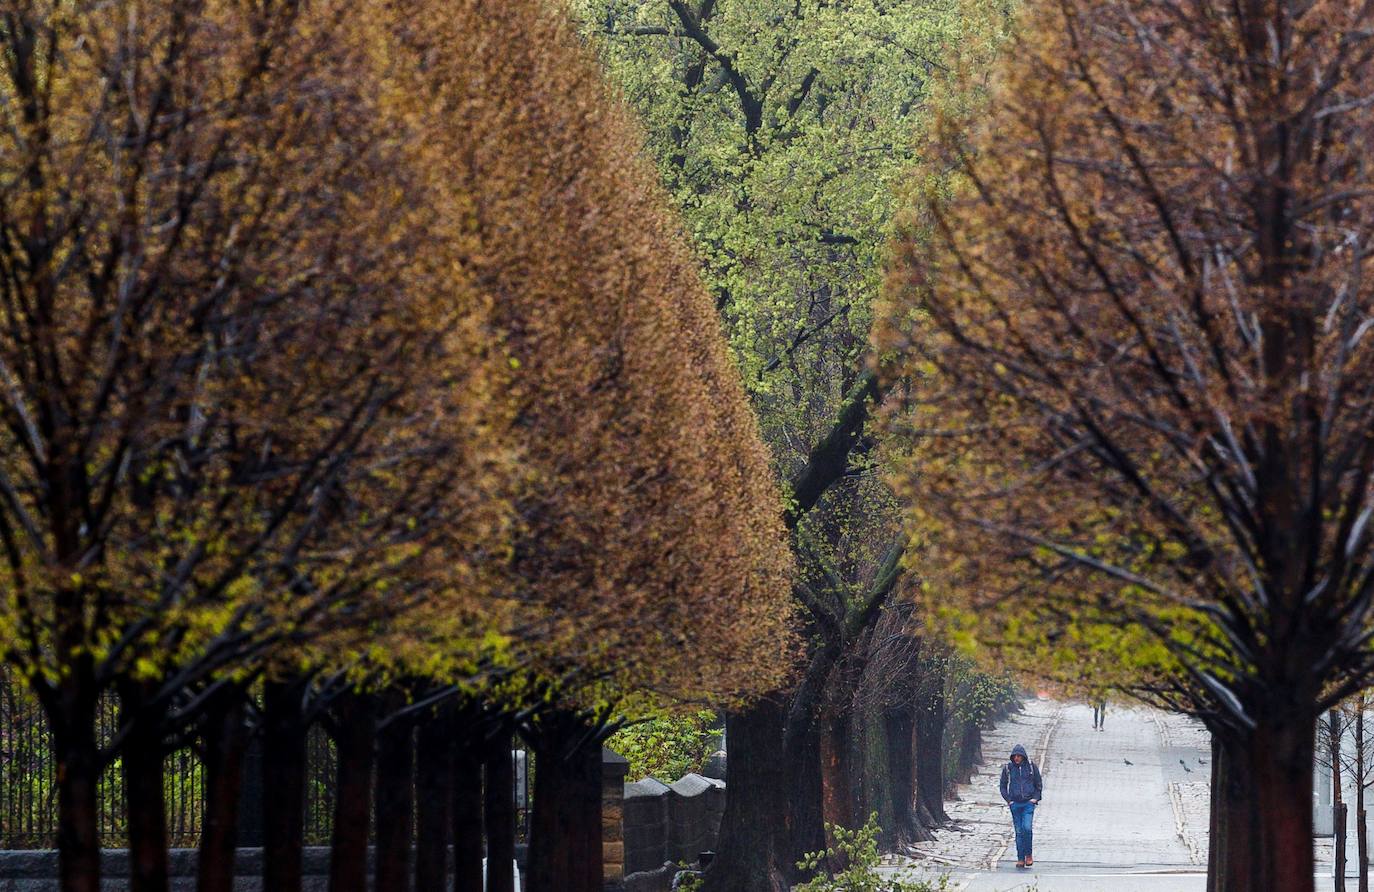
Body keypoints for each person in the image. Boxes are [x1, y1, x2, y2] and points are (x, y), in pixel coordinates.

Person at [999, 743, 1042, 869]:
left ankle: (1028, 854)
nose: (1017, 758)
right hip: (1015, 804)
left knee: (1027, 828)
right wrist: (1008, 800)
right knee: (1018, 831)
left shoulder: (1030, 767)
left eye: (1019, 756)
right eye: (1015, 756)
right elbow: (1002, 785)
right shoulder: (1008, 768)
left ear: (1023, 756)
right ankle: (1020, 858)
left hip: (1028, 803)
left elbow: (1038, 784)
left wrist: (1035, 798)